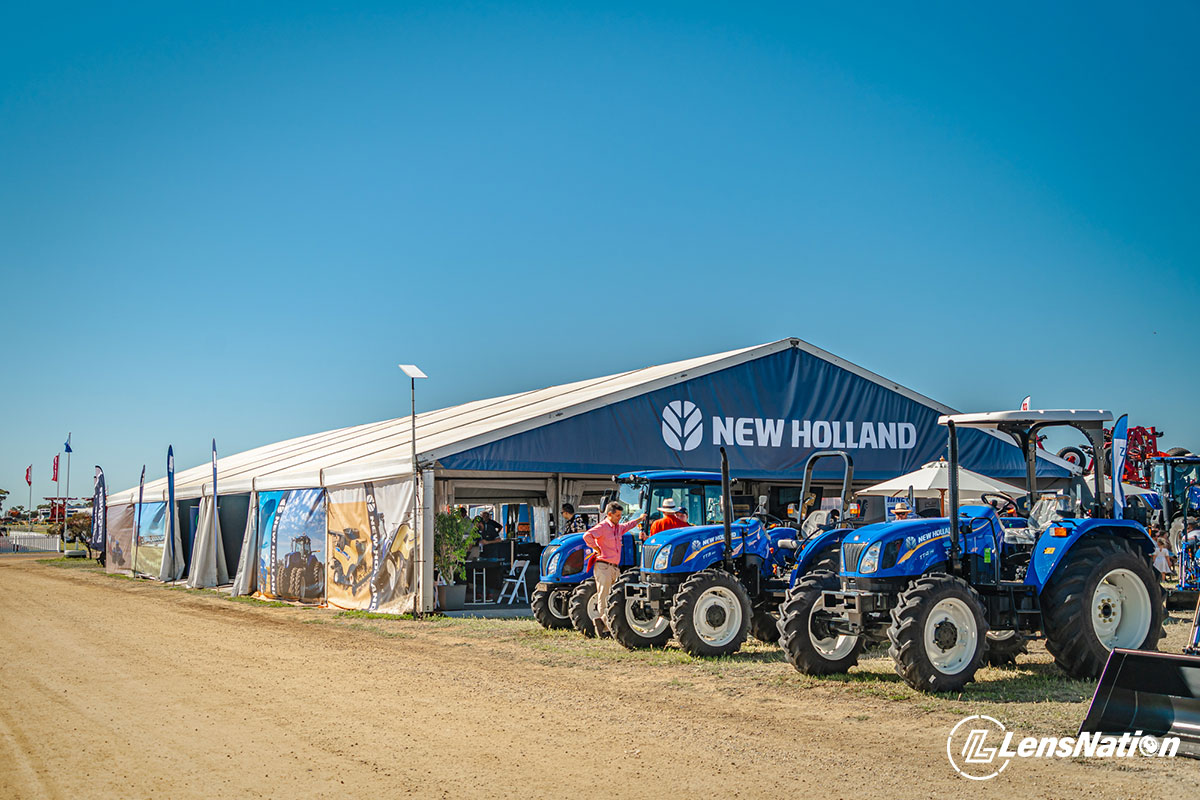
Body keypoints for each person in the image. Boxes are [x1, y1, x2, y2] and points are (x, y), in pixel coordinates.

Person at [582, 502, 646, 635]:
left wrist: (640, 519)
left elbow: (628, 525)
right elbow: (587, 535)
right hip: (603, 566)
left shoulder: (618, 528)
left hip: (615, 567)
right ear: (609, 514)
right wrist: (596, 548)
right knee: (604, 595)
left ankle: (604, 624)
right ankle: (606, 624)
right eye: (617, 516)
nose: (619, 518)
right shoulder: (603, 527)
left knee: (613, 596)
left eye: (620, 515)